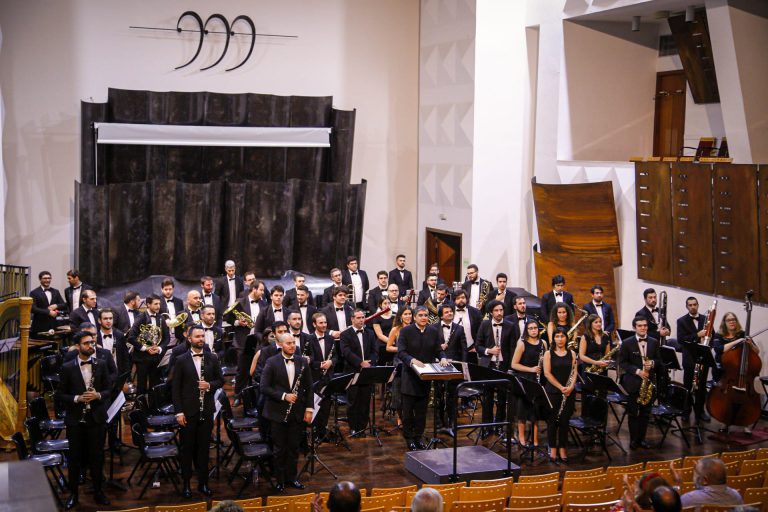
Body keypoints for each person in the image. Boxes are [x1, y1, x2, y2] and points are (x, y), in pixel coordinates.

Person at [56, 331, 112, 509]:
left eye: (92, 342)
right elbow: (60, 394)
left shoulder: (101, 364)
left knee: (97, 457)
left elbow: (109, 389)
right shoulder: (67, 367)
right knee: (75, 458)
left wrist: (98, 395)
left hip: (96, 418)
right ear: (78, 346)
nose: (91, 346)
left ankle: (98, 491)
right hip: (75, 419)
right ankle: (73, 494)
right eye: (86, 343)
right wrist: (77, 399)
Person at [172, 325, 223, 498]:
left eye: (202, 336)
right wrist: (179, 412)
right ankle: (186, 484)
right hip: (188, 411)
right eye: (197, 337)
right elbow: (175, 389)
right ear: (189, 339)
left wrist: (209, 385)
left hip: (206, 410)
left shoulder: (212, 358)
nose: (201, 339)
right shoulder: (180, 360)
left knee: (203, 450)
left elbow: (220, 380)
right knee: (187, 449)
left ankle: (203, 483)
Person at [260, 332, 314, 492]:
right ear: (281, 344)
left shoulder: (302, 361)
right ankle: (280, 480)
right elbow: (264, 387)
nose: (292, 346)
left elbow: (310, 387)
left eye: (293, 343)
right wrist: (284, 396)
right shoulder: (272, 362)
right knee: (279, 449)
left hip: (297, 412)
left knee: (294, 447)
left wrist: (309, 409)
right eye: (288, 343)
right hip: (277, 412)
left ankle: (292, 478)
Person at [397, 305, 448, 450]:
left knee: (421, 411)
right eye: (420, 315)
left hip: (425, 377)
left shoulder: (433, 331)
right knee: (407, 412)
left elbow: (438, 350)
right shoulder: (406, 331)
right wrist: (412, 360)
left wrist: (443, 358)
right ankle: (409, 438)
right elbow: (401, 352)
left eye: (425, 315)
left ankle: (418, 436)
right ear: (414, 317)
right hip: (410, 376)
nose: (424, 318)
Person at [713, 312, 759, 435]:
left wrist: (750, 344)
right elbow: (719, 349)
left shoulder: (743, 334)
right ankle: (725, 422)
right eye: (729, 320)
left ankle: (745, 423)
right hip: (725, 372)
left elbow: (756, 351)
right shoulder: (719, 335)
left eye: (734, 319)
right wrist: (737, 341)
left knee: (745, 398)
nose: (732, 322)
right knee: (727, 398)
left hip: (742, 374)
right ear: (724, 322)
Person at [618, 316, 661, 449]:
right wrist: (637, 371)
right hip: (634, 382)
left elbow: (659, 361)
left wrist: (653, 363)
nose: (643, 328)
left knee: (645, 413)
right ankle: (633, 440)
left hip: (649, 383)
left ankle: (642, 439)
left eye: (645, 325)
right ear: (634, 327)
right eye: (640, 326)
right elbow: (622, 362)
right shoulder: (627, 343)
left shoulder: (654, 342)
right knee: (633, 413)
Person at [475, 300, 516, 438]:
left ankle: (499, 426)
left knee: (502, 398)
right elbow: (478, 345)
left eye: (501, 310)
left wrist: (510, 368)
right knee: (487, 398)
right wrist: (489, 351)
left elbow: (513, 348)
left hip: (503, 366)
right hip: (489, 366)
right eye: (496, 310)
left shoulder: (510, 326)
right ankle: (486, 427)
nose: (499, 313)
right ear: (491, 312)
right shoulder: (485, 324)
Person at [341, 309, 378, 435]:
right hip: (352, 371)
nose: (361, 320)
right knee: (353, 401)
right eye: (358, 318)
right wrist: (360, 362)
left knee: (365, 400)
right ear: (352, 319)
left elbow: (374, 351)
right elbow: (346, 352)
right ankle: (353, 427)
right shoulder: (346, 334)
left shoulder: (370, 333)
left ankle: (362, 428)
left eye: (363, 317)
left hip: (367, 372)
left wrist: (370, 363)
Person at [511, 320, 547, 448]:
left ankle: (535, 439)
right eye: (530, 328)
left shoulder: (543, 343)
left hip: (538, 380)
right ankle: (521, 438)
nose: (533, 330)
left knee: (535, 410)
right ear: (527, 330)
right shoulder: (522, 344)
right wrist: (531, 369)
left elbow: (545, 361)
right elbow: (514, 364)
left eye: (535, 328)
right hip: (525, 379)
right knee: (522, 410)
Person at [543, 327, 577, 464]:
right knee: (552, 421)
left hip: (568, 392)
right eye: (557, 336)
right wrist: (560, 387)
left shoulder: (572, 353)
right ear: (554, 338)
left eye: (562, 336)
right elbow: (547, 373)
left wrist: (571, 387)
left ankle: (563, 448)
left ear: (566, 338)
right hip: (553, 391)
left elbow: (574, 372)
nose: (560, 339)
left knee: (564, 421)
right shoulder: (548, 354)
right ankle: (553, 448)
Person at [127, 294, 170, 395]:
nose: (158, 306)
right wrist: (146, 348)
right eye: (155, 304)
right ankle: (141, 409)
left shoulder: (161, 318)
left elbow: (166, 338)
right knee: (141, 386)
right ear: (148, 305)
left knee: (154, 385)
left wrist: (159, 348)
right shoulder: (140, 317)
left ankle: (153, 408)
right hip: (142, 358)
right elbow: (131, 337)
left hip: (156, 357)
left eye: (159, 303)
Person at [676, 296, 709, 422]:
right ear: (687, 307)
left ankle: (700, 411)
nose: (693, 307)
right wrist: (697, 335)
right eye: (690, 305)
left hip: (703, 358)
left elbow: (712, 334)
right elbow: (681, 339)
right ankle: (686, 411)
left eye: (695, 304)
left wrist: (707, 339)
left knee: (702, 387)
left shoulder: (705, 319)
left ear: (698, 305)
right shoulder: (681, 321)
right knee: (688, 386)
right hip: (689, 359)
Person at [671, 458, 743, 510]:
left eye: (697, 473)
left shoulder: (689, 498)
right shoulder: (737, 496)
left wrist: (677, 484)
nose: (696, 474)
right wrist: (699, 474)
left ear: (705, 480)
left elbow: (674, 508)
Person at [309, 312, 338, 441]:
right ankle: (314, 432)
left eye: (325, 322)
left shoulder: (330, 339)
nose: (324, 325)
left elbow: (336, 357)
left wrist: (331, 362)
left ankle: (322, 432)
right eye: (321, 323)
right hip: (315, 378)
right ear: (314, 324)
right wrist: (320, 365)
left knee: (326, 406)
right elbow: (308, 360)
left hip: (328, 378)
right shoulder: (309, 339)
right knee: (315, 406)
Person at [385, 307, 413, 428]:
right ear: (400, 316)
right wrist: (401, 349)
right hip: (399, 363)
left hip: (413, 363)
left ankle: (410, 416)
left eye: (410, 314)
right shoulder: (395, 329)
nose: (408, 316)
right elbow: (388, 347)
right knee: (398, 393)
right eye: (405, 314)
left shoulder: (415, 328)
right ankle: (400, 417)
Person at [30, 270, 67, 335]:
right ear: (40, 279)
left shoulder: (56, 291)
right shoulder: (34, 292)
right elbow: (33, 308)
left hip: (54, 325)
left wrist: (56, 306)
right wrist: (48, 312)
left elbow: (64, 305)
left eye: (49, 278)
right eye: (45, 278)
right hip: (40, 326)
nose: (47, 280)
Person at [452, 290, 481, 365]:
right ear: (454, 300)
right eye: (458, 298)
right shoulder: (449, 311)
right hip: (453, 351)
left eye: (463, 297)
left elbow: (480, 332)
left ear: (467, 299)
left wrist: (476, 347)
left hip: (471, 350)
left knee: (471, 374)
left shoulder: (475, 312)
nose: (461, 300)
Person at [579, 314, 612, 379]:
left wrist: (608, 361)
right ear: (590, 324)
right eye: (596, 322)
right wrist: (595, 362)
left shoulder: (605, 336)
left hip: (602, 368)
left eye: (600, 322)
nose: (599, 324)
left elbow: (607, 354)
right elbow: (582, 356)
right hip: (589, 368)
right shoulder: (585, 337)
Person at [370, 296, 394, 363]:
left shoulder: (395, 315)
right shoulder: (376, 317)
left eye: (389, 303)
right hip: (382, 344)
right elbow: (379, 335)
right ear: (380, 305)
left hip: (394, 343)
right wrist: (391, 342)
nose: (387, 305)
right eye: (385, 303)